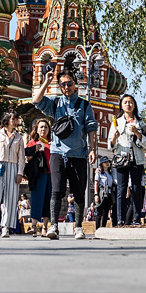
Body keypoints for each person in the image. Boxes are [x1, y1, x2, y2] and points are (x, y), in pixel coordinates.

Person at [32, 62, 99, 240]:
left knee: (79, 192)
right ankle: (53, 226)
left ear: (75, 84)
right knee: (56, 191)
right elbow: (36, 101)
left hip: (78, 154)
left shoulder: (84, 105)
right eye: (62, 84)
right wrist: (47, 82)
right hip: (58, 153)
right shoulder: (55, 103)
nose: (66, 87)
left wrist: (93, 149)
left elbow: (91, 128)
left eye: (69, 83)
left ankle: (78, 227)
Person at [109, 94, 146, 225]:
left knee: (137, 188)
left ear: (134, 105)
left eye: (131, 102)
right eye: (125, 102)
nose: (128, 104)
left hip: (137, 159)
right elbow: (110, 145)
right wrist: (114, 138)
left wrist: (137, 133)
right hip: (121, 158)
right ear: (121, 105)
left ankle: (136, 218)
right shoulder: (116, 122)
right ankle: (120, 219)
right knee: (121, 189)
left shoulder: (141, 123)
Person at [0, 109, 26, 238]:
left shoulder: (19, 137)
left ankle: (6, 227)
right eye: (13, 119)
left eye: (16, 119)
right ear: (6, 120)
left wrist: (20, 172)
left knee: (11, 199)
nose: (15, 121)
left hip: (13, 167)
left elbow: (21, 156)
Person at [24, 118, 52, 227]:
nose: (43, 129)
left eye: (46, 127)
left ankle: (45, 226)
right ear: (36, 129)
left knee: (48, 200)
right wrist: (35, 150)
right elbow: (27, 158)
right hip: (38, 174)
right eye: (41, 127)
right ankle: (34, 225)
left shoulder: (52, 143)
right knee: (36, 199)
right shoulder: (32, 142)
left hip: (50, 174)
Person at [94, 157, 116, 229]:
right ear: (102, 164)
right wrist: (96, 194)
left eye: (108, 162)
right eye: (105, 162)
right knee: (99, 211)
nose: (107, 164)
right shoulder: (99, 173)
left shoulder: (110, 173)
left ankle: (103, 227)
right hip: (102, 192)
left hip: (109, 193)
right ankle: (97, 227)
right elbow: (96, 183)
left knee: (106, 211)